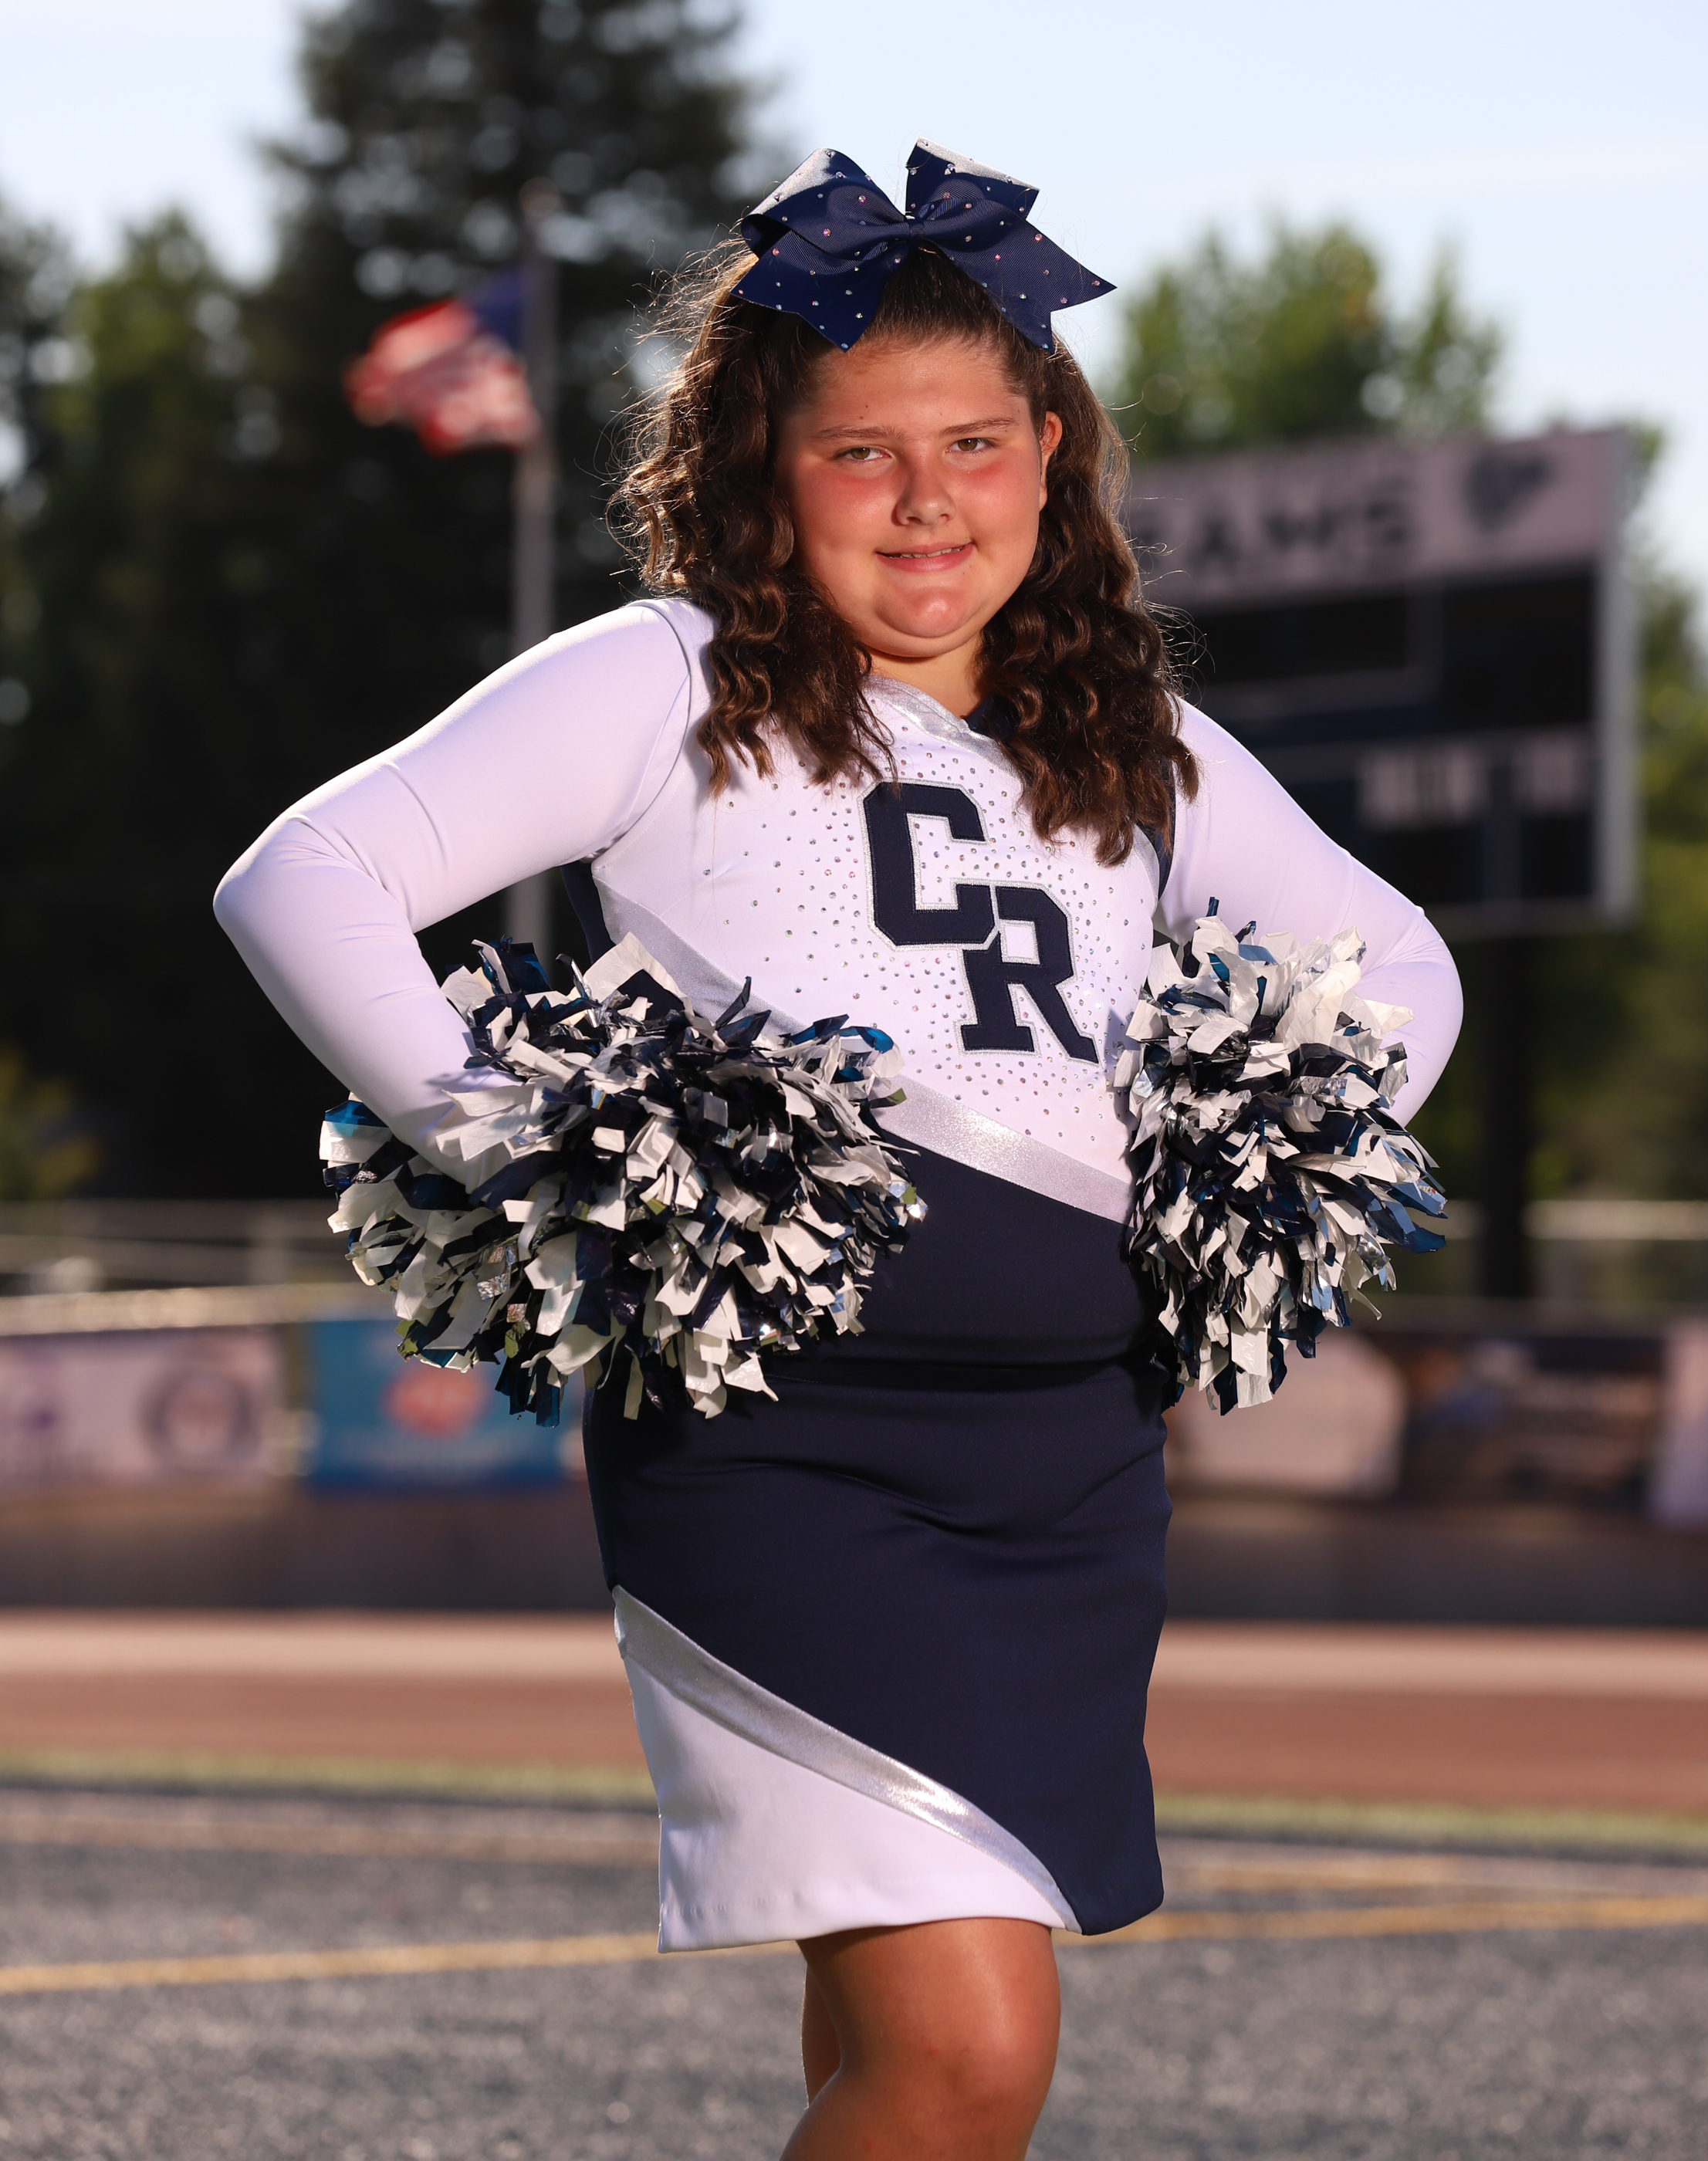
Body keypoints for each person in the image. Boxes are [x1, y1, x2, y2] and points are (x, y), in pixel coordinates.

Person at [217, 144, 1462, 2161]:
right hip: (785, 1452)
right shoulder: (668, 677)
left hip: (1070, 1467)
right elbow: (306, 878)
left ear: (1051, 456)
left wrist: (1260, 1158)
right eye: (860, 452)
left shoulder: (1132, 735)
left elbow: (1399, 962)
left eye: (975, 443)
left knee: (894, 2049)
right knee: (968, 2051)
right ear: (763, 470)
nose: (925, 498)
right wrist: (528, 1158)